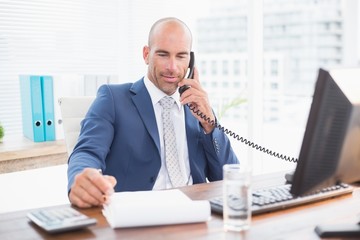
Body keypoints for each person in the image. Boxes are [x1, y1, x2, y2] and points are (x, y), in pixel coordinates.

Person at [67, 17, 239, 208]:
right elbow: (86, 151)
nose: (172, 67)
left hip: (194, 213)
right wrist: (81, 177)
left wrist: (210, 125)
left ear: (190, 60)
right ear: (146, 54)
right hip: (138, 215)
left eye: (181, 56)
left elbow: (229, 177)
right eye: (163, 55)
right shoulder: (113, 98)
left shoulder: (197, 106)